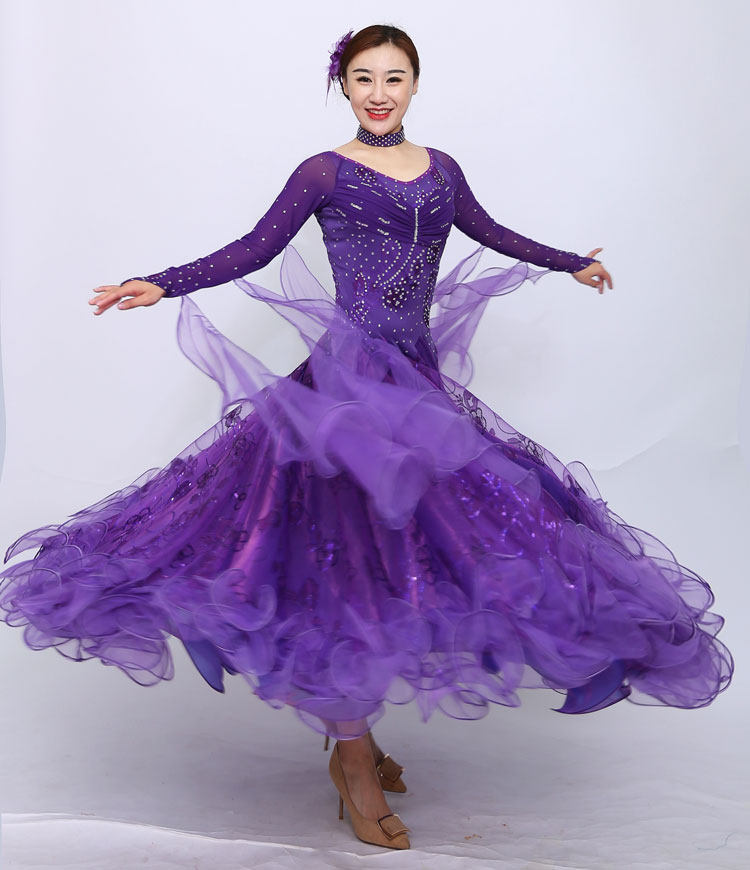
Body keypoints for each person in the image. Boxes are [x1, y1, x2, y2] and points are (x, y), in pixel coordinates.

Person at [0, 23, 733, 852]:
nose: (378, 92)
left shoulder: (443, 169)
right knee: (339, 572)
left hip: (415, 389)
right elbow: (255, 248)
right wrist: (161, 283)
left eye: (394, 77)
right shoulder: (324, 171)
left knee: (410, 567)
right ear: (342, 87)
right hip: (342, 392)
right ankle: (351, 762)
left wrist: (569, 261)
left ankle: (357, 739)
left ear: (415, 84)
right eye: (362, 78)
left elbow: (493, 232)